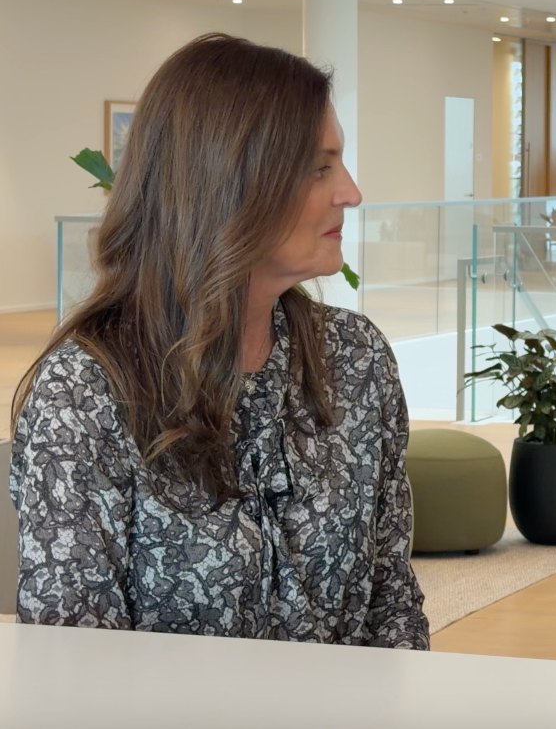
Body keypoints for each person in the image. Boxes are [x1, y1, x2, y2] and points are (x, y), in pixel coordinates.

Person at [8, 33, 429, 648]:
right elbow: (71, 665)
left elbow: (393, 604)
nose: (352, 193)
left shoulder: (356, 357)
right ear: (230, 185)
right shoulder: (85, 394)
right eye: (320, 167)